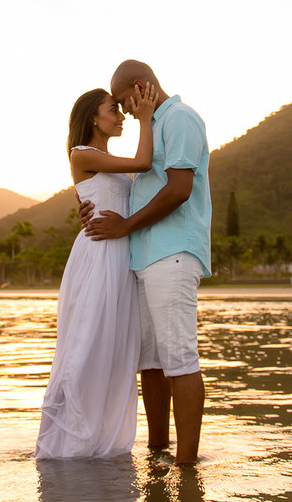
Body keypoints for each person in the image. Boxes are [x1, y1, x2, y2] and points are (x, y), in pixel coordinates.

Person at [81, 60, 211, 465]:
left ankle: (187, 466)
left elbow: (179, 190)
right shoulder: (151, 129)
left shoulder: (180, 119)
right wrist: (95, 211)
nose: (122, 110)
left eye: (123, 101)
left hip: (172, 253)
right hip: (144, 256)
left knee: (179, 358)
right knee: (151, 362)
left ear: (140, 87)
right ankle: (159, 454)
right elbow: (132, 187)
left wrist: (125, 227)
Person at [35, 83, 158, 460]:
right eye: (113, 110)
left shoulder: (101, 158)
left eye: (122, 112)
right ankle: (70, 441)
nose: (120, 116)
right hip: (98, 255)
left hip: (121, 257)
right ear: (93, 117)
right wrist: (146, 118)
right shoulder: (82, 153)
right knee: (87, 344)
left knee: (116, 349)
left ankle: (101, 439)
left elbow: (108, 192)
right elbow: (143, 163)